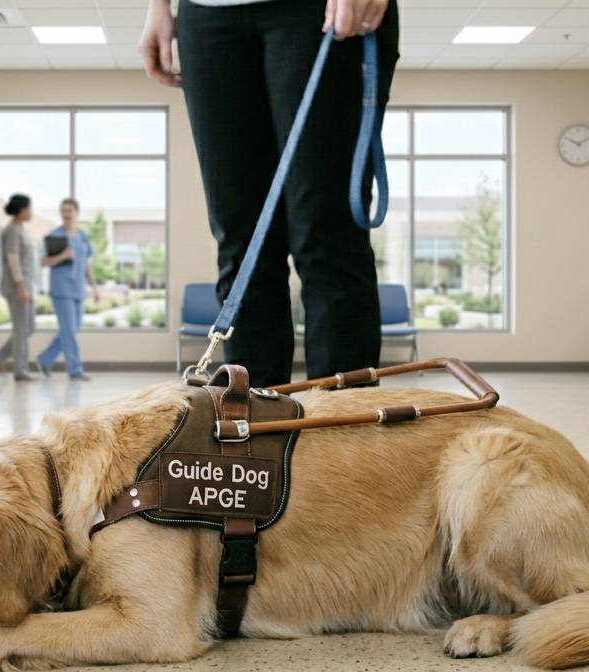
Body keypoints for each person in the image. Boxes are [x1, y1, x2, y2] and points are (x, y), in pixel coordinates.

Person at [140, 0, 398, 387]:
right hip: (207, 14)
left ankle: (346, 432)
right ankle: (254, 431)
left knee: (327, 239)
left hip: (320, 12)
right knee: (240, 244)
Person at [36, 198, 100, 381]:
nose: (66, 214)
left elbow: (86, 263)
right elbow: (43, 262)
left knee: (71, 329)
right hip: (61, 289)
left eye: (70, 210)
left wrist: (95, 287)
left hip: (78, 289)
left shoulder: (82, 236)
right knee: (69, 330)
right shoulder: (54, 235)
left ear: (76, 213)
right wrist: (62, 256)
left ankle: (45, 358)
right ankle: (75, 370)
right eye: (63, 210)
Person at [0, 194, 38, 382]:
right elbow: (13, 259)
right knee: (21, 329)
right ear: (22, 210)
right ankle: (20, 371)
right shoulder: (12, 231)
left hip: (26, 286)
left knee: (29, 328)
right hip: (17, 286)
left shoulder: (22, 230)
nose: (31, 212)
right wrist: (20, 287)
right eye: (30, 208)